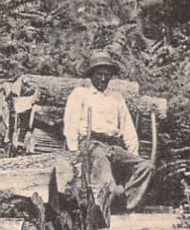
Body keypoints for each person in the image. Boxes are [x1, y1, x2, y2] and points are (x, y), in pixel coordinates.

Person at [63, 49, 154, 210]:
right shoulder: (80, 94)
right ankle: (101, 205)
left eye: (107, 75)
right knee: (103, 171)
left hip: (113, 146)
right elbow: (70, 126)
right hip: (91, 145)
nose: (103, 79)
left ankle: (123, 202)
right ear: (91, 74)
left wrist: (133, 156)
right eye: (99, 74)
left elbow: (128, 130)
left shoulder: (116, 97)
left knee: (146, 167)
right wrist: (74, 155)